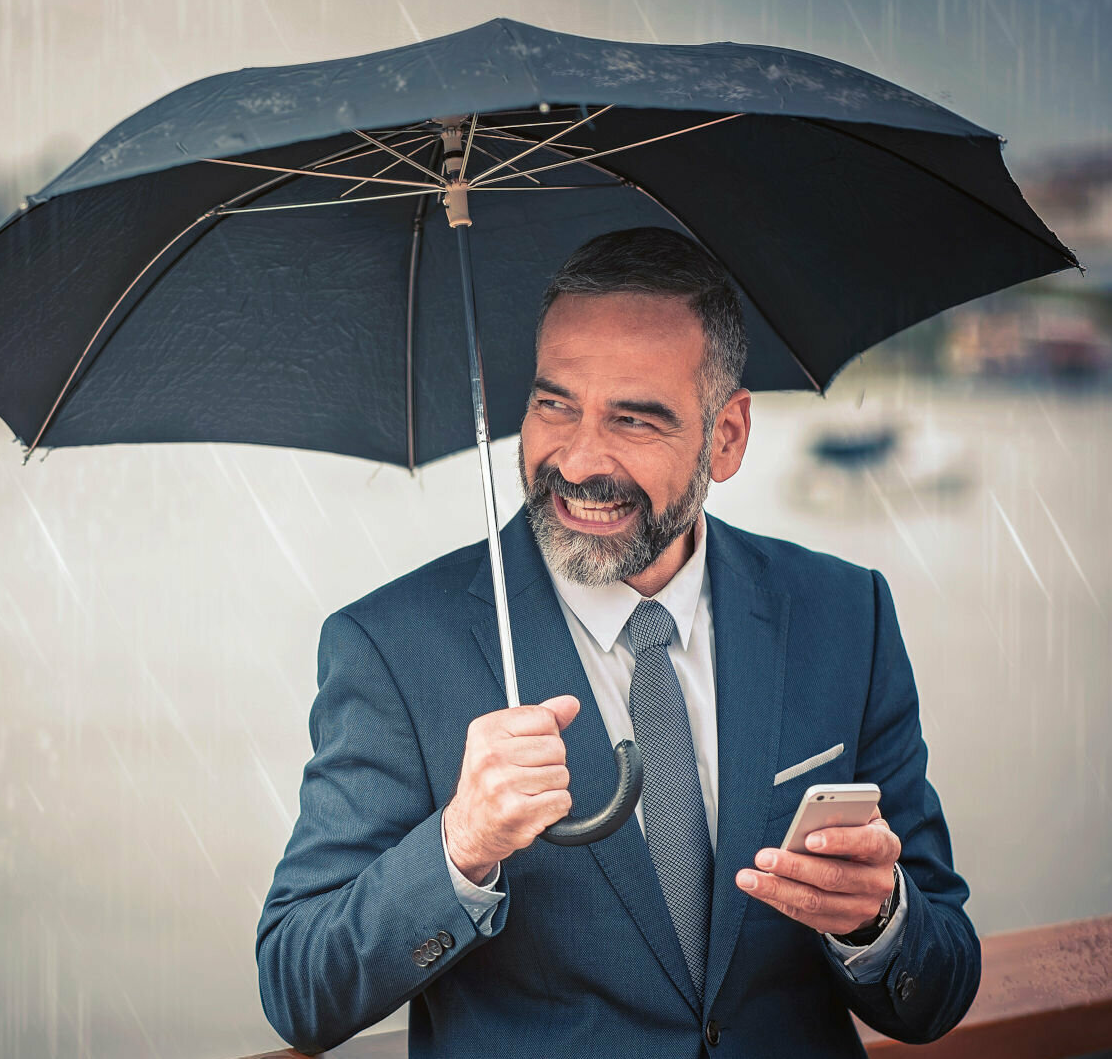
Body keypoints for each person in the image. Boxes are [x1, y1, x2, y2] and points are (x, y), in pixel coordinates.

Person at [255, 227, 978, 1057]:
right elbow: (299, 987)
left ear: (727, 437)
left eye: (634, 419)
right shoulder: (391, 649)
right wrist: (458, 847)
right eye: (554, 403)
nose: (579, 458)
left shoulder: (846, 613)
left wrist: (878, 918)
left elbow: (940, 985)